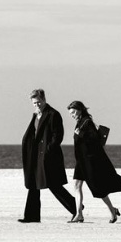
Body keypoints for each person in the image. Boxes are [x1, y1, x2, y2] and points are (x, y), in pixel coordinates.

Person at [19, 89, 77, 223]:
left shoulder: (53, 114)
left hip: (48, 156)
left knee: (53, 184)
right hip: (36, 156)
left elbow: (58, 136)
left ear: (44, 99)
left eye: (39, 102)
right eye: (34, 103)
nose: (37, 105)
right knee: (33, 184)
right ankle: (31, 216)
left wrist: (48, 150)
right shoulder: (36, 115)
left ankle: (75, 207)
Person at [67, 100, 121, 223]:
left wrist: (81, 134)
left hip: (89, 161)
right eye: (70, 113)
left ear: (80, 110)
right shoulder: (79, 122)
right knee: (77, 185)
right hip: (81, 161)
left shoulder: (87, 122)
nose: (72, 115)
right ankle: (79, 214)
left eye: (73, 112)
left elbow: (94, 139)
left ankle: (112, 210)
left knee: (98, 189)